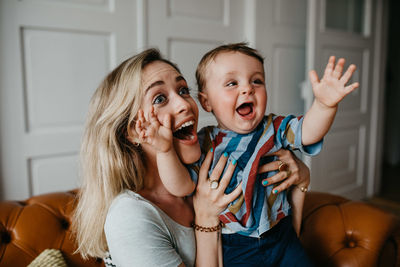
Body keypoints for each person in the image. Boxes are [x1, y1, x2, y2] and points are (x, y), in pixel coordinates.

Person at [71, 48, 312, 267]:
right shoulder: (130, 217)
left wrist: (301, 179)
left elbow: (280, 242)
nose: (185, 104)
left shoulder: (209, 171)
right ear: (134, 131)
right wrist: (206, 219)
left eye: (183, 90)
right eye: (159, 98)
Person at [136, 43, 359, 266]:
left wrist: (324, 105)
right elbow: (181, 186)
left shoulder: (275, 127)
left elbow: (308, 132)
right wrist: (164, 151)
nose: (247, 89)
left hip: (280, 233)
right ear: (206, 102)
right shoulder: (205, 144)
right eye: (232, 83)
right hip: (236, 245)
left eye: (257, 81)